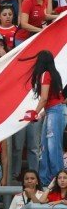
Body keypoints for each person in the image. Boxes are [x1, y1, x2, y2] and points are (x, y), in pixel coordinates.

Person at [23, 50, 66, 187]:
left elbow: (44, 98)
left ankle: (57, 182)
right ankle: (49, 182)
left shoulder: (45, 75)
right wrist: (42, 114)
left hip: (54, 112)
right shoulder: (54, 74)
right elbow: (54, 99)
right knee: (45, 148)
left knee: (52, 148)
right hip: (53, 112)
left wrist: (34, 113)